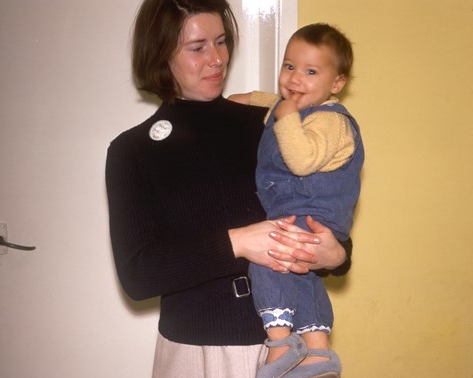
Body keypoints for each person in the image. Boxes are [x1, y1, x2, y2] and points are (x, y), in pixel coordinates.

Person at [105, 2, 353, 377]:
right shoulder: (132, 151)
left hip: (292, 351)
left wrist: (337, 255)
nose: (217, 59)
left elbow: (322, 199)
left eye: (221, 42)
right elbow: (138, 276)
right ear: (160, 54)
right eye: (197, 47)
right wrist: (237, 242)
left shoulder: (272, 126)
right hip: (194, 352)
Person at [229, 23, 364, 377]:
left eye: (310, 72)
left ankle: (281, 343)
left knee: (270, 258)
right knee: (303, 277)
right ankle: (319, 352)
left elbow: (302, 160)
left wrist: (285, 117)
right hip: (302, 214)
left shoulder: (331, 122)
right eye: (289, 66)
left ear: (336, 84)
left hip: (315, 212)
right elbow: (263, 100)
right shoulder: (284, 105)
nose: (295, 79)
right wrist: (239, 101)